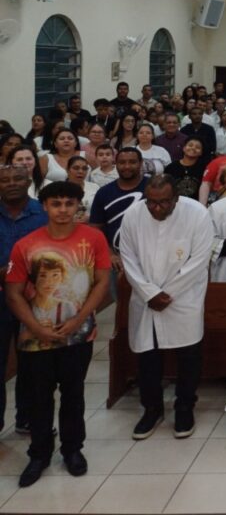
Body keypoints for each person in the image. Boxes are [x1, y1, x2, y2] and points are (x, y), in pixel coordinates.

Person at [5, 181, 110, 487]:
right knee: (38, 397)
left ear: (78, 205)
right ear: (45, 207)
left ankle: (72, 450)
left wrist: (79, 320)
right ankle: (38, 454)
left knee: (73, 394)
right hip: (34, 337)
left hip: (78, 334)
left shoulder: (93, 239)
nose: (63, 210)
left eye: (69, 203)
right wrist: (36, 327)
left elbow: (102, 281)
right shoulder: (26, 245)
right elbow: (13, 293)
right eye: (56, 204)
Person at [118, 175, 214, 440]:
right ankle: (152, 408)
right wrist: (149, 292)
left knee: (188, 355)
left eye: (163, 203)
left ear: (176, 199)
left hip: (184, 297)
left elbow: (200, 258)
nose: (156, 209)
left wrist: (168, 293)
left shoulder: (197, 214)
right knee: (147, 355)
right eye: (152, 203)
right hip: (145, 296)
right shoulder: (134, 214)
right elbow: (128, 256)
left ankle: (184, 406)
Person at [0, 166, 48, 434]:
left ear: (28, 180)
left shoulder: (42, 214)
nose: (11, 183)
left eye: (17, 178)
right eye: (4, 180)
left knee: (31, 364)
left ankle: (27, 418)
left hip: (34, 299)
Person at [89, 147, 148, 273]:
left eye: (132, 162)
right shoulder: (104, 192)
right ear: (116, 164)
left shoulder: (153, 188)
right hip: (116, 259)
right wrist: (110, 254)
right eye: (122, 162)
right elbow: (96, 229)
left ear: (141, 163)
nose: (127, 166)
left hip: (150, 255)